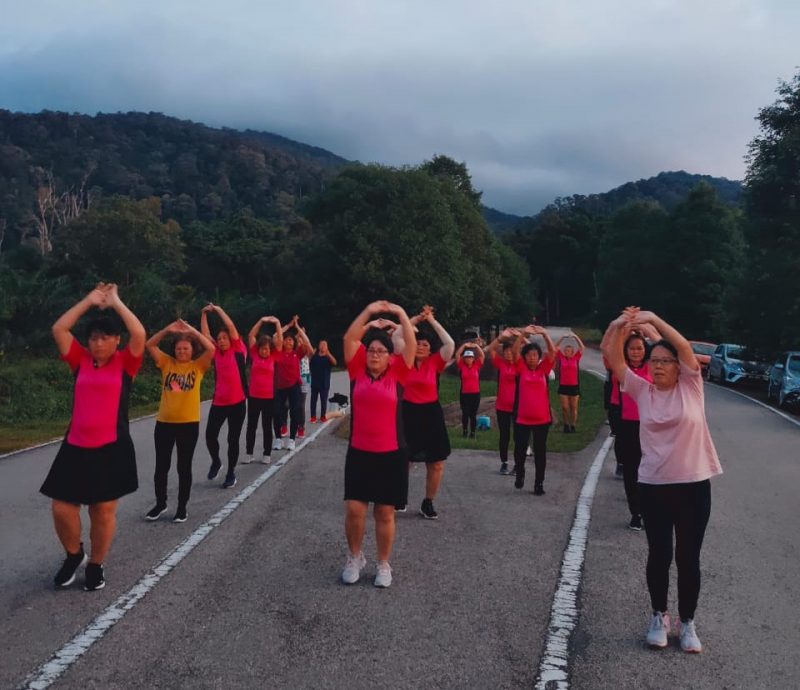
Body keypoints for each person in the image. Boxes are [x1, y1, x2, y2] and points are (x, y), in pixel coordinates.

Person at [602, 307, 722, 653]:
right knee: (659, 554)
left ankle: (688, 623)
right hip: (654, 487)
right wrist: (619, 325)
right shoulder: (642, 391)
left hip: (693, 486)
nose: (658, 365)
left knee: (688, 557)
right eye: (654, 361)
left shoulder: (692, 386)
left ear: (678, 367)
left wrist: (653, 320)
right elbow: (613, 357)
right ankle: (659, 615)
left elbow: (683, 345)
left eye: (665, 361)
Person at [41, 283, 145, 591]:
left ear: (116, 341)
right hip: (75, 446)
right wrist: (88, 301)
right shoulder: (80, 361)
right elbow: (59, 328)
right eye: (93, 338)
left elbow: (139, 334)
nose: (98, 343)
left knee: (102, 511)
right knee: (61, 507)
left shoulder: (126, 363)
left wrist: (116, 302)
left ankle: (96, 565)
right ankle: (74, 555)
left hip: (111, 447)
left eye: (104, 338)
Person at [341, 301, 416, 588]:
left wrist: (399, 313)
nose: (374, 354)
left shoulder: (399, 372)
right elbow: (350, 338)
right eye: (371, 350)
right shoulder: (356, 370)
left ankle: (383, 563)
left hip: (392, 454)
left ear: (389, 356)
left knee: (384, 513)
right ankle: (355, 557)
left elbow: (409, 341)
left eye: (380, 351)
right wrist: (370, 313)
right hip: (359, 452)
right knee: (354, 510)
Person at [145, 319, 216, 523]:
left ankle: (182, 507)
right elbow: (150, 345)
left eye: (186, 348)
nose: (182, 351)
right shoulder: (167, 362)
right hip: (164, 423)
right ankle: (161, 503)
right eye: (178, 348)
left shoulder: (198, 366)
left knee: (183, 467)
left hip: (188, 425)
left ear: (192, 350)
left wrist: (192, 331)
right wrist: (167, 329)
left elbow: (210, 348)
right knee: (161, 466)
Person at [399, 305, 455, 519]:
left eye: (425, 344)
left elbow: (449, 343)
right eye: (418, 343)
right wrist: (415, 319)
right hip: (408, 412)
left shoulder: (435, 363)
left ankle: (428, 502)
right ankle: (399, 497)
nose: (421, 346)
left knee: (437, 462)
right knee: (403, 459)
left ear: (431, 349)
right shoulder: (403, 362)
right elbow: (398, 336)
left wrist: (431, 320)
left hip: (431, 413)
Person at [200, 303, 247, 489]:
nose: (220, 341)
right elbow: (204, 335)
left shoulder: (237, 349)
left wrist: (218, 310)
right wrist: (203, 314)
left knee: (232, 439)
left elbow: (232, 328)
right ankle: (216, 462)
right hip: (219, 402)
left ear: (231, 339)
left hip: (237, 403)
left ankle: (230, 473)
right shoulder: (216, 353)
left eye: (223, 338)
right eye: (218, 338)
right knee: (210, 435)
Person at [511, 325, 556, 495]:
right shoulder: (520, 369)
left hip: (542, 419)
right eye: (529, 355)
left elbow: (552, 352)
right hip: (522, 418)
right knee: (519, 449)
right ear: (524, 357)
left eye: (535, 355)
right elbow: (515, 352)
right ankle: (520, 474)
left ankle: (539, 483)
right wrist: (523, 334)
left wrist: (545, 334)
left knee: (540, 452)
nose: (532, 358)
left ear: (539, 358)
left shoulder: (543, 369)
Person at [243, 316, 283, 465]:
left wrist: (277, 323)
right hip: (254, 396)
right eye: (262, 348)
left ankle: (267, 453)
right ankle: (249, 453)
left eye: (267, 348)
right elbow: (251, 336)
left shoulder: (274, 356)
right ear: (258, 348)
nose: (265, 351)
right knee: (251, 425)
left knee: (267, 426)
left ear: (270, 349)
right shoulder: (254, 354)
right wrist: (260, 321)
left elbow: (279, 340)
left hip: (269, 398)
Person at [273, 316, 312, 451]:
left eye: (290, 339)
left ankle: (292, 439)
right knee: (277, 412)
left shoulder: (297, 353)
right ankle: (278, 439)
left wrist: (298, 328)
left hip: (295, 386)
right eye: (286, 339)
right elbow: (274, 336)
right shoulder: (278, 353)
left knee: (295, 411)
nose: (288, 341)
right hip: (280, 387)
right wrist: (289, 325)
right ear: (283, 342)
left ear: (294, 342)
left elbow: (306, 343)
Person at [487, 329, 520, 475]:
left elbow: (528, 350)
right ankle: (504, 463)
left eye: (511, 351)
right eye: (506, 352)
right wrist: (500, 338)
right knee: (504, 436)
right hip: (502, 407)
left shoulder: (520, 365)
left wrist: (521, 337)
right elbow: (491, 349)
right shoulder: (501, 364)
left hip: (518, 407)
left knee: (518, 436)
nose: (508, 354)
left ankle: (518, 464)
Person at [454, 340, 485, 438]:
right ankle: (464, 431)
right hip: (464, 394)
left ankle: (473, 433)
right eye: (467, 357)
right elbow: (457, 354)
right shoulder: (461, 366)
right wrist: (464, 345)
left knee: (473, 415)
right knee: (465, 414)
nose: (468, 359)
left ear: (473, 358)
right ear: (464, 359)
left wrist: (476, 346)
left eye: (470, 357)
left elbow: (482, 355)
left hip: (475, 394)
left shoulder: (477, 366)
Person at [555, 332, 585, 433]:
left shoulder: (576, 358)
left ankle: (573, 425)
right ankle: (566, 424)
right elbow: (555, 347)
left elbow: (582, 347)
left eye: (569, 351)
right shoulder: (561, 358)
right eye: (566, 350)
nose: (567, 352)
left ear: (572, 352)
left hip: (574, 386)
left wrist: (576, 336)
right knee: (565, 407)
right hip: (563, 386)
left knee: (573, 407)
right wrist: (562, 338)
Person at [309, 339, 337, 422]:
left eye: (324, 345)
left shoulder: (328, 357)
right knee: (313, 400)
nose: (323, 346)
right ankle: (313, 416)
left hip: (324, 383)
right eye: (321, 344)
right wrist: (311, 355)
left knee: (323, 401)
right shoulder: (315, 356)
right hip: (314, 382)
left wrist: (328, 353)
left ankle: (323, 416)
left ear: (327, 347)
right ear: (319, 346)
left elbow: (335, 363)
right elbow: (308, 362)